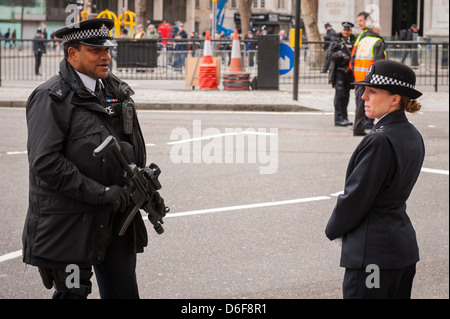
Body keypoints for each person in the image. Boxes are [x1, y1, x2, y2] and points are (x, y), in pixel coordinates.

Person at [22, 18, 153, 299]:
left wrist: (140, 185)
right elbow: (46, 162)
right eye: (95, 50)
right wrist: (102, 193)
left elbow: (131, 147)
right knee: (72, 295)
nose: (106, 56)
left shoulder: (115, 91)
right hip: (71, 222)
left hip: (117, 217)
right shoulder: (51, 97)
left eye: (107, 50)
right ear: (73, 54)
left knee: (124, 292)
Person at [325, 59, 424, 299]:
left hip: (373, 254)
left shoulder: (380, 139)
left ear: (395, 98)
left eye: (372, 91)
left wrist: (334, 229)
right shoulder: (412, 134)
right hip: (401, 249)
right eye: (364, 90)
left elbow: (357, 196)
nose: (363, 97)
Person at [350, 12, 386, 136]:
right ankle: (376, 127)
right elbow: (379, 62)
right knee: (379, 101)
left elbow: (354, 57)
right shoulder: (377, 41)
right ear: (375, 29)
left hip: (360, 76)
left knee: (361, 103)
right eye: (379, 28)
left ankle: (358, 127)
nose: (380, 30)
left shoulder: (363, 40)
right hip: (370, 77)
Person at [327, 22, 356, 126]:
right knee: (340, 95)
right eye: (344, 30)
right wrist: (340, 55)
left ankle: (345, 117)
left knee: (346, 95)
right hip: (339, 70)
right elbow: (330, 54)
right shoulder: (336, 40)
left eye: (348, 30)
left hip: (349, 72)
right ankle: (338, 119)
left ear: (351, 31)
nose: (345, 32)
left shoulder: (354, 40)